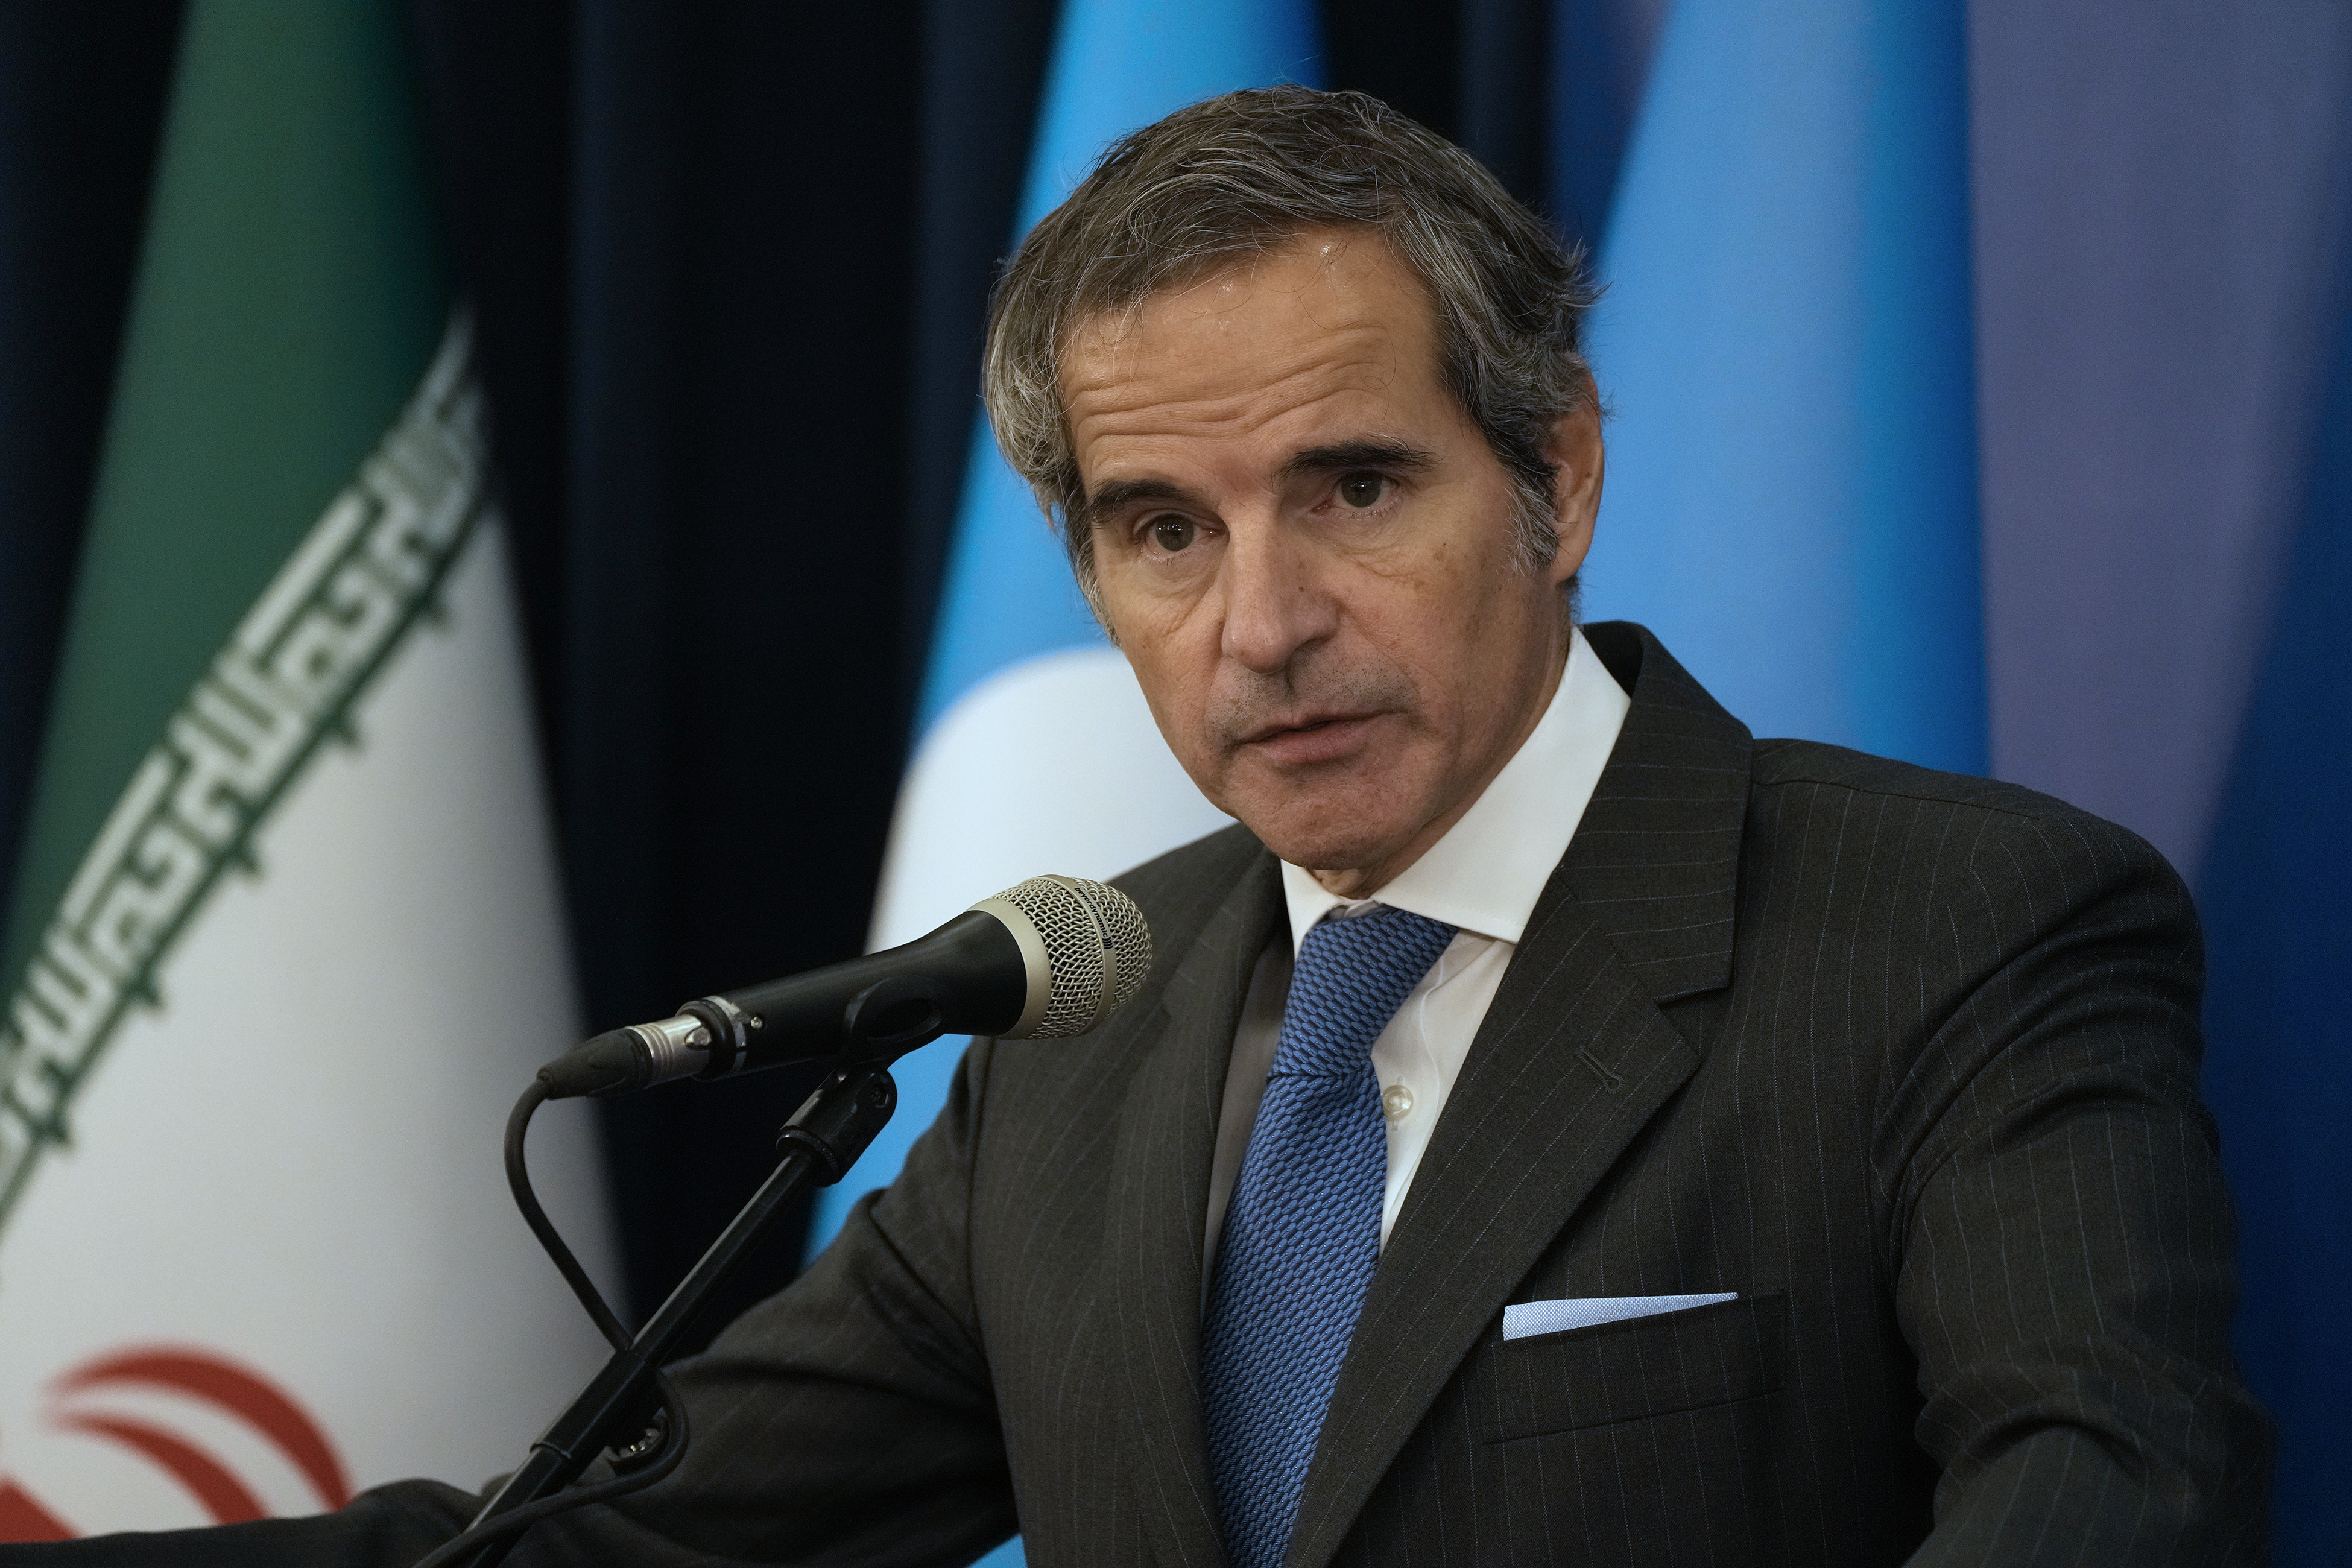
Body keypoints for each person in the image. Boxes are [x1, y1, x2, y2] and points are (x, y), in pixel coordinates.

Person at [16, 85, 2266, 1567]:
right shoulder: (1084, 1009)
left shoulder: (1955, 928)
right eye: (1161, 529)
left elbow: (2110, 1493)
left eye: (1353, 488)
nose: (1261, 623)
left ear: (1556, 477)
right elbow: (625, 1531)